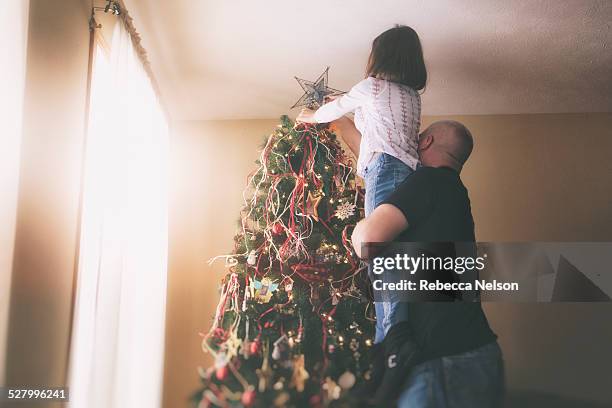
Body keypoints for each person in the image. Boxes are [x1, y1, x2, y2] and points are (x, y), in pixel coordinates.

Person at [351, 121, 505, 407]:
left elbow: (367, 241)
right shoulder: (454, 193)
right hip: (476, 353)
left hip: (442, 360)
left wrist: (357, 226)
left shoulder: (429, 182)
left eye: (418, 137)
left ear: (427, 141)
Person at [297, 24, 427, 344]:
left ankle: (394, 337)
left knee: (380, 255)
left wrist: (310, 115)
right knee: (397, 254)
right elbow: (367, 125)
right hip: (408, 174)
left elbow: (335, 109)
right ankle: (395, 332)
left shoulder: (373, 86)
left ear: (379, 57)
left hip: (385, 171)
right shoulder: (410, 96)